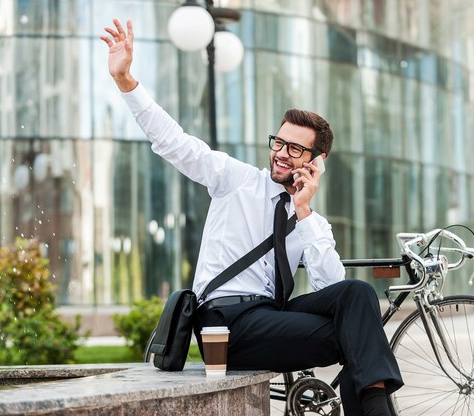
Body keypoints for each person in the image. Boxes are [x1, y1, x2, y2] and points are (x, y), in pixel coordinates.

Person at [101, 19, 403, 416]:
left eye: (295, 149)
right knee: (361, 338)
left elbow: (332, 285)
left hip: (270, 317)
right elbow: (173, 142)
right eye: (279, 142)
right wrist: (126, 80)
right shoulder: (235, 180)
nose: (280, 153)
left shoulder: (311, 219)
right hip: (225, 325)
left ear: (316, 162)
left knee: (360, 296)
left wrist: (304, 210)